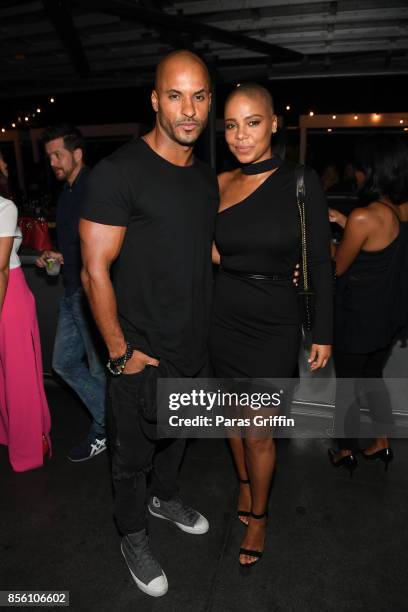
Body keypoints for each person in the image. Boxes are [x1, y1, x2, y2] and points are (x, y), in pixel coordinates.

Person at [79, 51, 217, 597]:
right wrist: (119, 352)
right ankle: (132, 532)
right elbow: (94, 271)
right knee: (131, 459)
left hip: (191, 346)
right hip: (139, 352)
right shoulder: (119, 172)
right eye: (176, 95)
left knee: (179, 437)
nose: (189, 109)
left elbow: (200, 248)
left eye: (200, 96)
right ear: (155, 100)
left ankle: (166, 499)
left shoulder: (204, 180)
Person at [210, 83, 333, 567]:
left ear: (274, 123)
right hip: (224, 314)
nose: (241, 135)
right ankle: (243, 485)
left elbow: (320, 261)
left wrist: (322, 331)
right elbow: (212, 250)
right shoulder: (218, 184)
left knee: (259, 431)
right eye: (232, 126)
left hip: (275, 320)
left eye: (253, 122)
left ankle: (259, 516)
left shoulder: (300, 181)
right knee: (232, 421)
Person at [328, 134, 408, 474]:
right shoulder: (401, 209)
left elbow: (337, 266)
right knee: (372, 377)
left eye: (360, 169)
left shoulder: (364, 216)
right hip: (388, 318)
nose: (355, 175)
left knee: (347, 384)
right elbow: (385, 243)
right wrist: (347, 226)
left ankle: (345, 450)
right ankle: (381, 440)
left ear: (373, 171)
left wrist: (324, 240)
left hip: (357, 319)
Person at [36, 125, 107, 462]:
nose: (52, 161)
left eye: (57, 154)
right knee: (63, 363)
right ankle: (110, 423)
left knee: (96, 370)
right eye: (49, 156)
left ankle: (106, 428)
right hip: (71, 292)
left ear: (77, 154)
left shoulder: (95, 190)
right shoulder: (67, 193)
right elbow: (78, 244)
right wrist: (59, 256)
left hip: (91, 294)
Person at [0, 149, 51, 472]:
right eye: (1, 160)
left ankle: (9, 434)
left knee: (6, 374)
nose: (6, 164)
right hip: (9, 296)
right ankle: (27, 450)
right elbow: (1, 269)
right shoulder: (5, 206)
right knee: (20, 376)